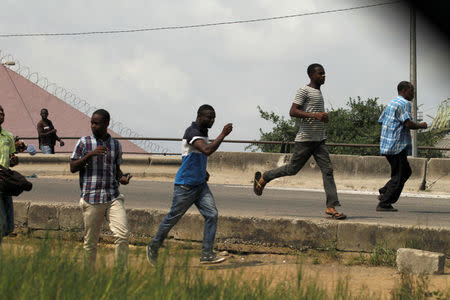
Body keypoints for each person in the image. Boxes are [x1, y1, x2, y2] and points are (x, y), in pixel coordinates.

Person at [253, 63, 346, 220]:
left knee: (328, 171)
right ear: (311, 75)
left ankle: (331, 206)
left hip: (319, 141)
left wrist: (322, 118)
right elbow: (293, 111)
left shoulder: (318, 92)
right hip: (305, 140)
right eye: (320, 73)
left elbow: (314, 113)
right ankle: (265, 177)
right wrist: (315, 116)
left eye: (324, 73)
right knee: (292, 169)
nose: (323, 76)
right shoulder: (304, 90)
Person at [147, 104, 233, 265]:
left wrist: (203, 171)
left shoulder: (203, 133)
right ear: (199, 116)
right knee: (172, 218)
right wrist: (223, 134)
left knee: (212, 215)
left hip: (200, 185)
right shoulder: (192, 132)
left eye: (214, 117)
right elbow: (206, 150)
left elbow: (195, 156)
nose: (212, 120)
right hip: (185, 185)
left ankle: (207, 254)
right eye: (209, 117)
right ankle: (153, 246)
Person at [70, 109, 131, 267]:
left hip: (113, 196)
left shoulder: (115, 145)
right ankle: (88, 276)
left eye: (97, 123)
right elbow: (72, 167)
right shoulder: (84, 142)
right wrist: (90, 155)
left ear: (106, 124)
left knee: (123, 235)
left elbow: (116, 170)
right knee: (91, 242)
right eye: (92, 122)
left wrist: (122, 178)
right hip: (92, 197)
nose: (93, 126)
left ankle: (120, 275)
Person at [377, 81, 427, 211]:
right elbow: (408, 124)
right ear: (404, 91)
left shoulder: (392, 102)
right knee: (399, 175)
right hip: (396, 145)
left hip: (387, 144)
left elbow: (381, 120)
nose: (413, 94)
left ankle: (384, 191)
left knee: (405, 172)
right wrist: (421, 125)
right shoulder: (404, 103)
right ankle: (384, 202)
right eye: (412, 91)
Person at [0, 105, 19, 242]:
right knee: (1, 223)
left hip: (5, 180)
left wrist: (14, 160)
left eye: (2, 113)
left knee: (9, 225)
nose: (1, 116)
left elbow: (11, 157)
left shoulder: (8, 136)